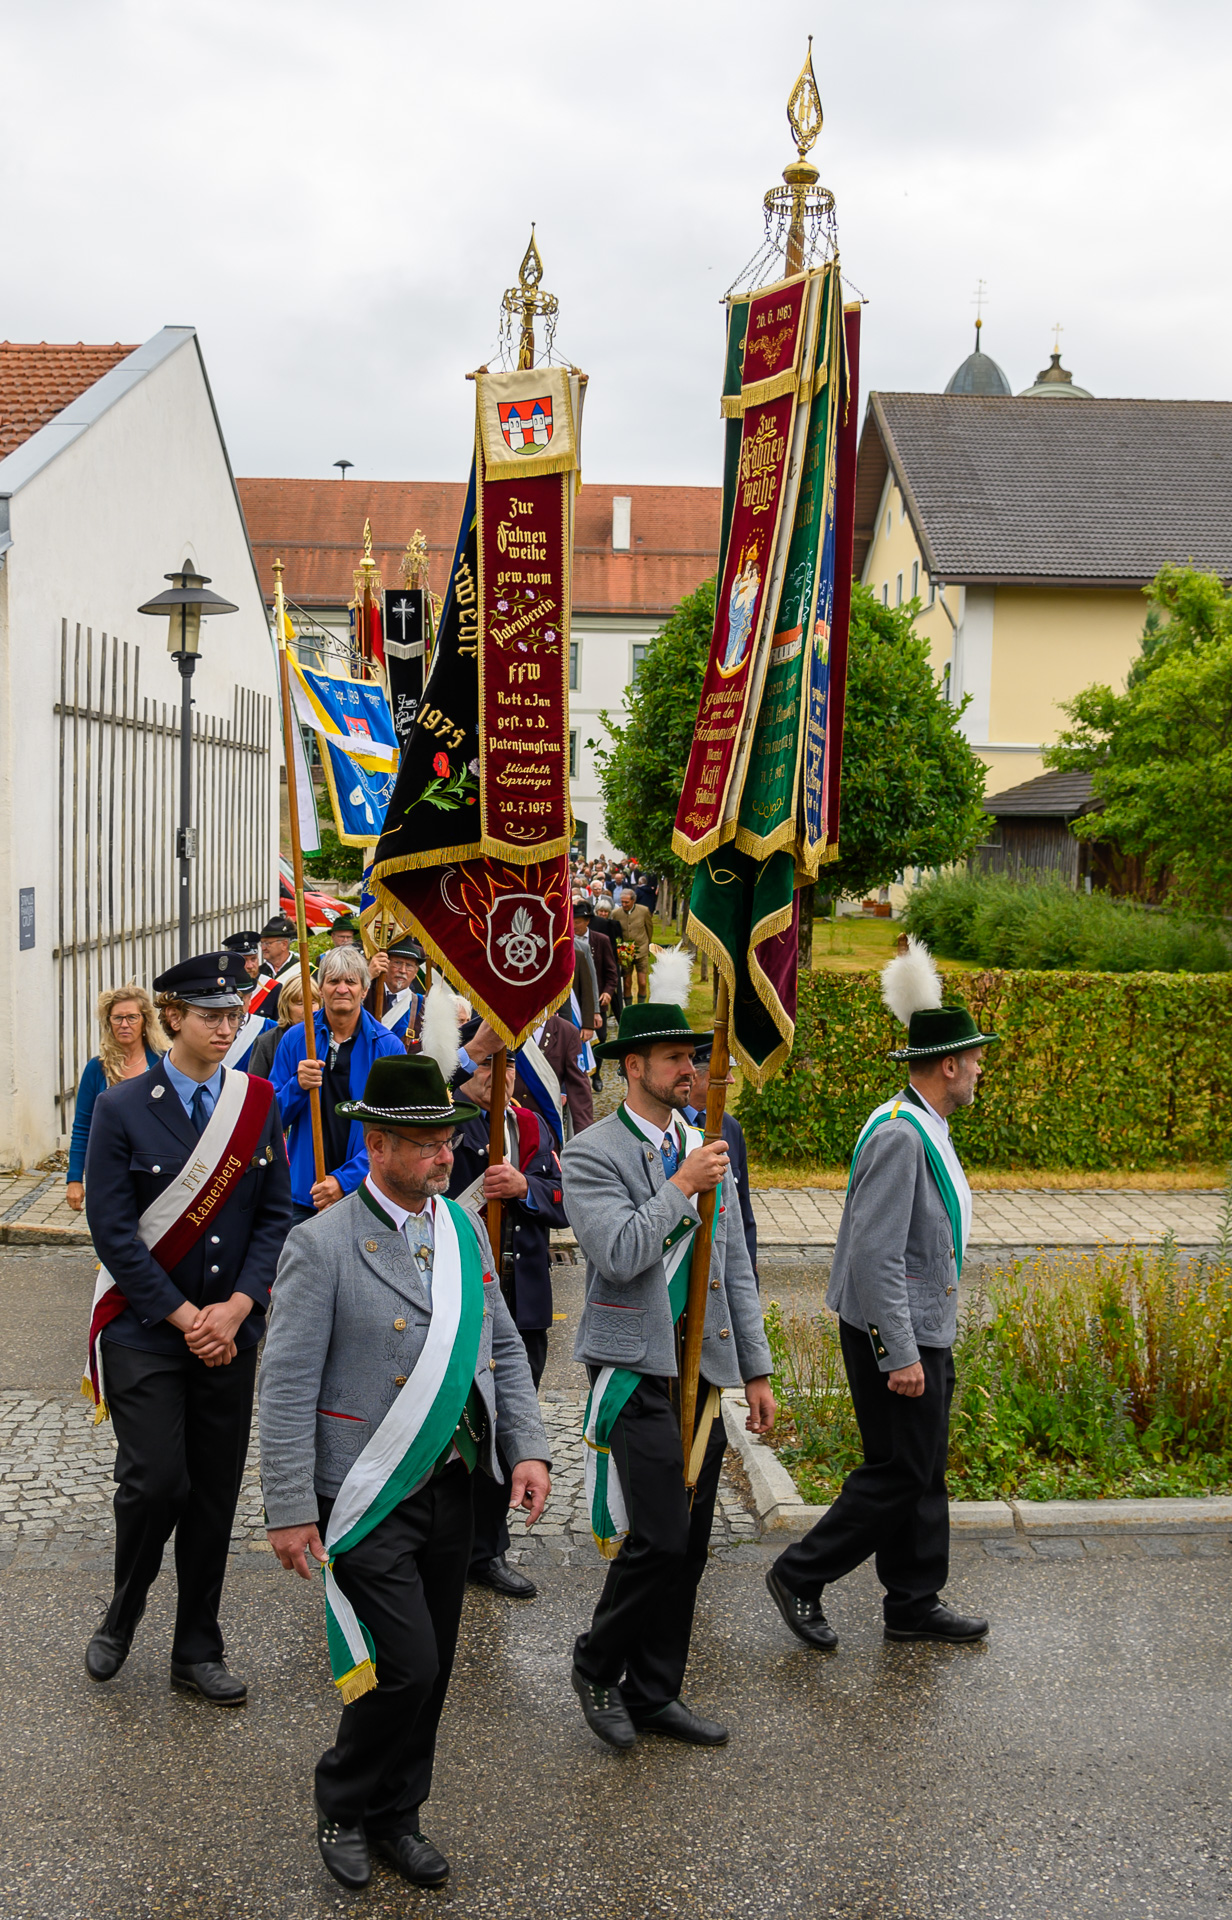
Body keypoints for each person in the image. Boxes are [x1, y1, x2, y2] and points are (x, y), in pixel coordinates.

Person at [258, 1055, 551, 1892]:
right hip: (366, 1489)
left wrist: (525, 1447)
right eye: (426, 1144)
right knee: (405, 1665)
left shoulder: (461, 1231)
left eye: (448, 1141)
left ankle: (399, 1814)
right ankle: (344, 1801)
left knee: (439, 1664)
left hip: (453, 1481)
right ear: (376, 1145)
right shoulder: (319, 1245)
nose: (445, 1156)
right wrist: (288, 1507)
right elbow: (283, 1389)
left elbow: (499, 1346)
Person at [765, 949, 997, 1652]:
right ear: (949, 1064)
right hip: (895, 1331)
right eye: (977, 1059)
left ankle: (913, 1600)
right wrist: (899, 1352)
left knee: (920, 1467)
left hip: (920, 1324)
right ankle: (800, 1573)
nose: (983, 1069)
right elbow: (874, 1255)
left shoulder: (922, 1123)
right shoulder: (901, 1135)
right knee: (898, 1472)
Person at [561, 1001, 774, 1751]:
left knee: (689, 1549)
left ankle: (656, 1690)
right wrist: (681, 1184)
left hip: (705, 1370)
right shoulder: (591, 1153)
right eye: (677, 1059)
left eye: (694, 1057)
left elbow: (735, 1263)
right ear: (634, 1070)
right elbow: (619, 1253)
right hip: (635, 1367)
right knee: (658, 1535)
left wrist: (757, 1369)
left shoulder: (708, 1143)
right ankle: (595, 1663)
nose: (693, 1071)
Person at [81, 949, 293, 1702]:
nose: (227, 1027)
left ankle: (197, 1648)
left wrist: (238, 1308)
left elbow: (275, 1217)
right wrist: (182, 1314)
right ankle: (124, 1607)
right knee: (156, 1482)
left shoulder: (257, 1101)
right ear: (174, 1017)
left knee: (211, 1494)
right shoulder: (121, 1108)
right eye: (212, 1015)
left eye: (235, 1015)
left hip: (229, 1333)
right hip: (144, 1330)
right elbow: (112, 1230)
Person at [448, 1047, 567, 1600]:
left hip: (523, 1305)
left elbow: (564, 1202)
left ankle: (489, 1549)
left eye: (510, 1066)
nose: (500, 1077)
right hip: (461, 1292)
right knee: (459, 1426)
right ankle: (449, 1541)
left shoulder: (532, 1124)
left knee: (508, 1428)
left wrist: (526, 1190)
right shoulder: (447, 1122)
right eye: (488, 1066)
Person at [270, 945, 404, 1223]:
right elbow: (270, 1120)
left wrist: (343, 1181)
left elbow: (395, 1131)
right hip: (306, 1196)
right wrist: (297, 1086)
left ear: (364, 990)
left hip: (367, 1194)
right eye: (333, 981)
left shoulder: (388, 1047)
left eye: (351, 982)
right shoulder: (296, 1040)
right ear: (320, 989)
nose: (342, 989)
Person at [66, 984, 165, 1213]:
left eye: (131, 1017)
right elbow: (83, 1126)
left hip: (155, 1170)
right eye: (117, 1018)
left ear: (144, 1021)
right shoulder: (97, 1068)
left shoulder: (163, 1063)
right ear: (109, 1023)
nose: (124, 1024)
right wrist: (74, 1179)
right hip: (108, 1169)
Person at [681, 1041, 758, 1283]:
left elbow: (743, 1211)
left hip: (722, 1271)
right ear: (696, 1076)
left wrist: (749, 1278)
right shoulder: (668, 1126)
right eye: (725, 1072)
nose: (732, 1081)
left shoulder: (731, 1128)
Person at [512, 1009, 593, 1135]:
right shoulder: (504, 1027)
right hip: (508, 1127)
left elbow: (579, 1089)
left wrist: (585, 1137)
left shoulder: (566, 1032)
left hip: (546, 1130)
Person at [576, 899, 618, 1089]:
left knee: (599, 1037)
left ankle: (597, 1073)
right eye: (572, 921)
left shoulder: (600, 940)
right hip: (576, 1000)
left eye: (578, 921)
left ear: (587, 922)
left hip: (597, 999)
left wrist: (608, 992)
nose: (574, 925)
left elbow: (611, 971)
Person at [246, 971, 319, 1082]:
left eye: (313, 1002)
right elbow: (256, 1088)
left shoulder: (329, 1037)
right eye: (300, 1004)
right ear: (286, 1007)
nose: (308, 1010)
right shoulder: (267, 1043)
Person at [366, 936, 426, 1046]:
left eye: (409, 965)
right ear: (385, 964)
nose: (403, 970)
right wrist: (367, 976)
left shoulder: (422, 1006)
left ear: (416, 972)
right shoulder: (365, 993)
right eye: (397, 963)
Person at [252, 913, 299, 1017]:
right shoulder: (258, 973)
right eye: (262, 943)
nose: (263, 948)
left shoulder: (306, 971)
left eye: (267, 943)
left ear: (284, 944)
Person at [613, 887, 653, 1005]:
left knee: (642, 982)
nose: (624, 904)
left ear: (633, 900)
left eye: (627, 902)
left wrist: (647, 945)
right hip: (625, 950)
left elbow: (649, 929)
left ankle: (641, 1006)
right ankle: (629, 1007)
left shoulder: (644, 911)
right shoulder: (616, 913)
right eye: (622, 902)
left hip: (641, 949)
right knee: (627, 982)